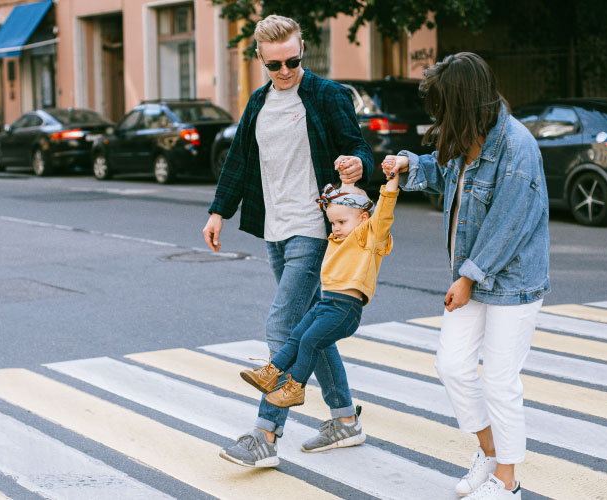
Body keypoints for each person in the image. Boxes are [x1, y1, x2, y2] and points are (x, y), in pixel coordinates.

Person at [202, 14, 377, 468]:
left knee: (282, 329)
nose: (285, 71)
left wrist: (357, 165)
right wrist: (219, 211)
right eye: (275, 64)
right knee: (311, 330)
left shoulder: (326, 95)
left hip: (314, 226)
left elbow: (358, 148)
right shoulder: (259, 102)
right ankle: (345, 420)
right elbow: (240, 160)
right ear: (259, 56)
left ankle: (265, 435)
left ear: (303, 52)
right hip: (275, 229)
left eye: (293, 61)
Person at [381, 52, 550, 500]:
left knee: (498, 380)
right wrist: (406, 165)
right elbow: (442, 173)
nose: (437, 116)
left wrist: (469, 278)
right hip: (470, 277)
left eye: (442, 106)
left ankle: (509, 483)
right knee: (452, 366)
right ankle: (490, 454)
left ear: (462, 101)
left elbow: (509, 224)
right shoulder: (464, 135)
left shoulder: (516, 147)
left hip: (511, 283)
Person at [241, 175, 398, 411]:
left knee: (309, 342)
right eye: (332, 223)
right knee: (297, 336)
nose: (335, 228)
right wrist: (344, 186)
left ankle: (295, 388)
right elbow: (345, 206)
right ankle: (270, 373)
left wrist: (392, 181)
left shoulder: (369, 238)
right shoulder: (337, 238)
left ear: (364, 219)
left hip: (345, 310)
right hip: (326, 305)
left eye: (341, 223)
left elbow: (384, 212)